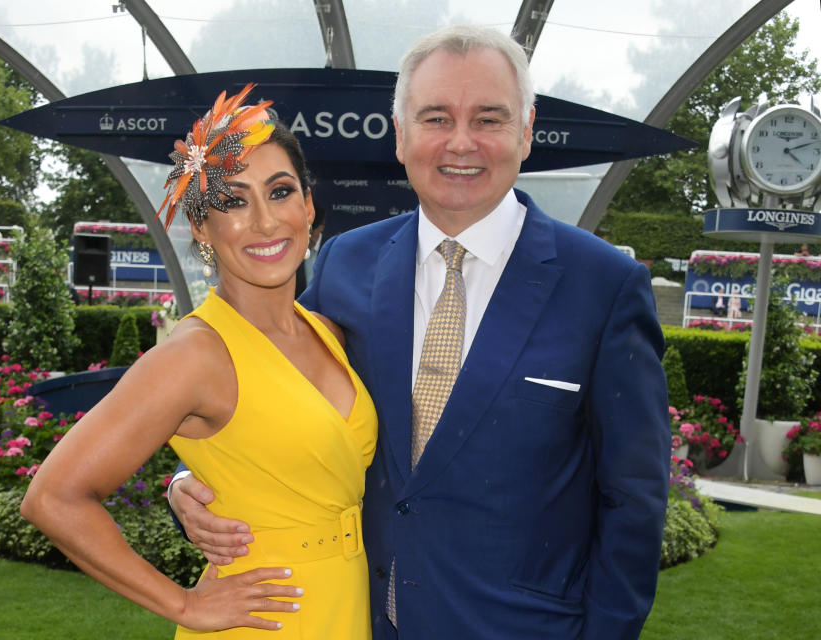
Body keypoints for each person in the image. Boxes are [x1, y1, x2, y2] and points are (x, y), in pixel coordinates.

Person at [170, 25, 670, 639]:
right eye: (435, 118)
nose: (462, 142)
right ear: (401, 135)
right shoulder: (347, 263)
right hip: (358, 620)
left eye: (489, 118)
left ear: (527, 131)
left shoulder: (605, 286)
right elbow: (270, 394)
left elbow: (634, 502)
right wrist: (188, 483)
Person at [21, 85, 378, 637]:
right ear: (203, 229)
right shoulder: (193, 356)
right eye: (233, 201)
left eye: (279, 192)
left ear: (308, 206)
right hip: (265, 621)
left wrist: (183, 480)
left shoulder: (326, 331)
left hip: (348, 607)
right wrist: (186, 606)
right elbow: (53, 497)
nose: (264, 221)